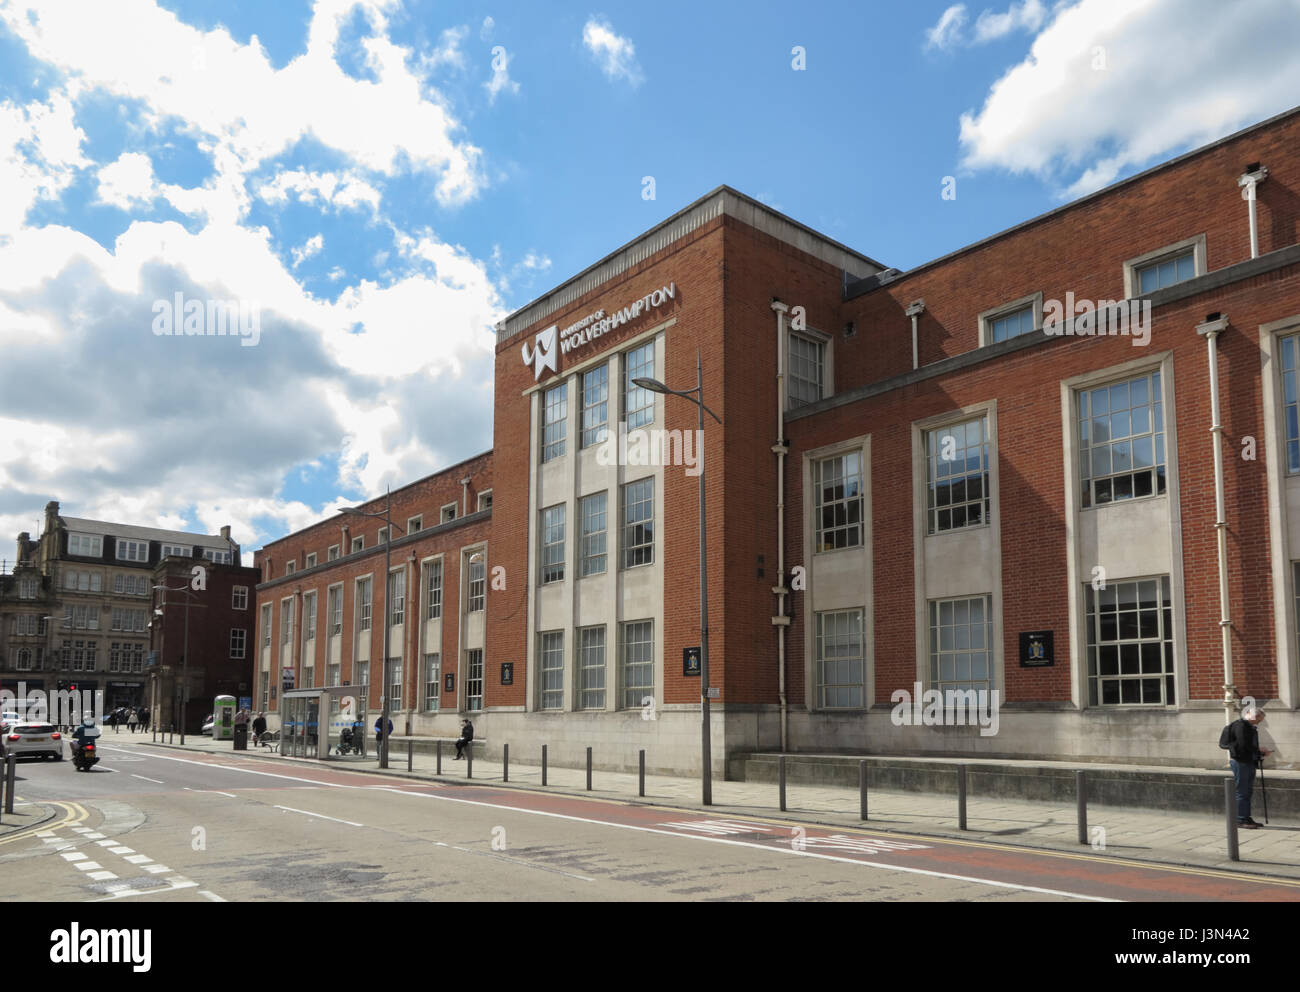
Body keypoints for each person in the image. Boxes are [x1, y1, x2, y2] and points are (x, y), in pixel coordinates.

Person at [1223, 706, 1270, 828]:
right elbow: (1243, 745)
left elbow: (1248, 745)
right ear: (1254, 716)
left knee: (1247, 791)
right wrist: (1259, 750)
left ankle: (1246, 817)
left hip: (1248, 761)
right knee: (1242, 791)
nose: (1260, 722)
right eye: (1259, 719)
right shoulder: (1241, 726)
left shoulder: (1249, 727)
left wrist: (1258, 752)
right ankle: (1240, 819)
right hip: (1240, 761)